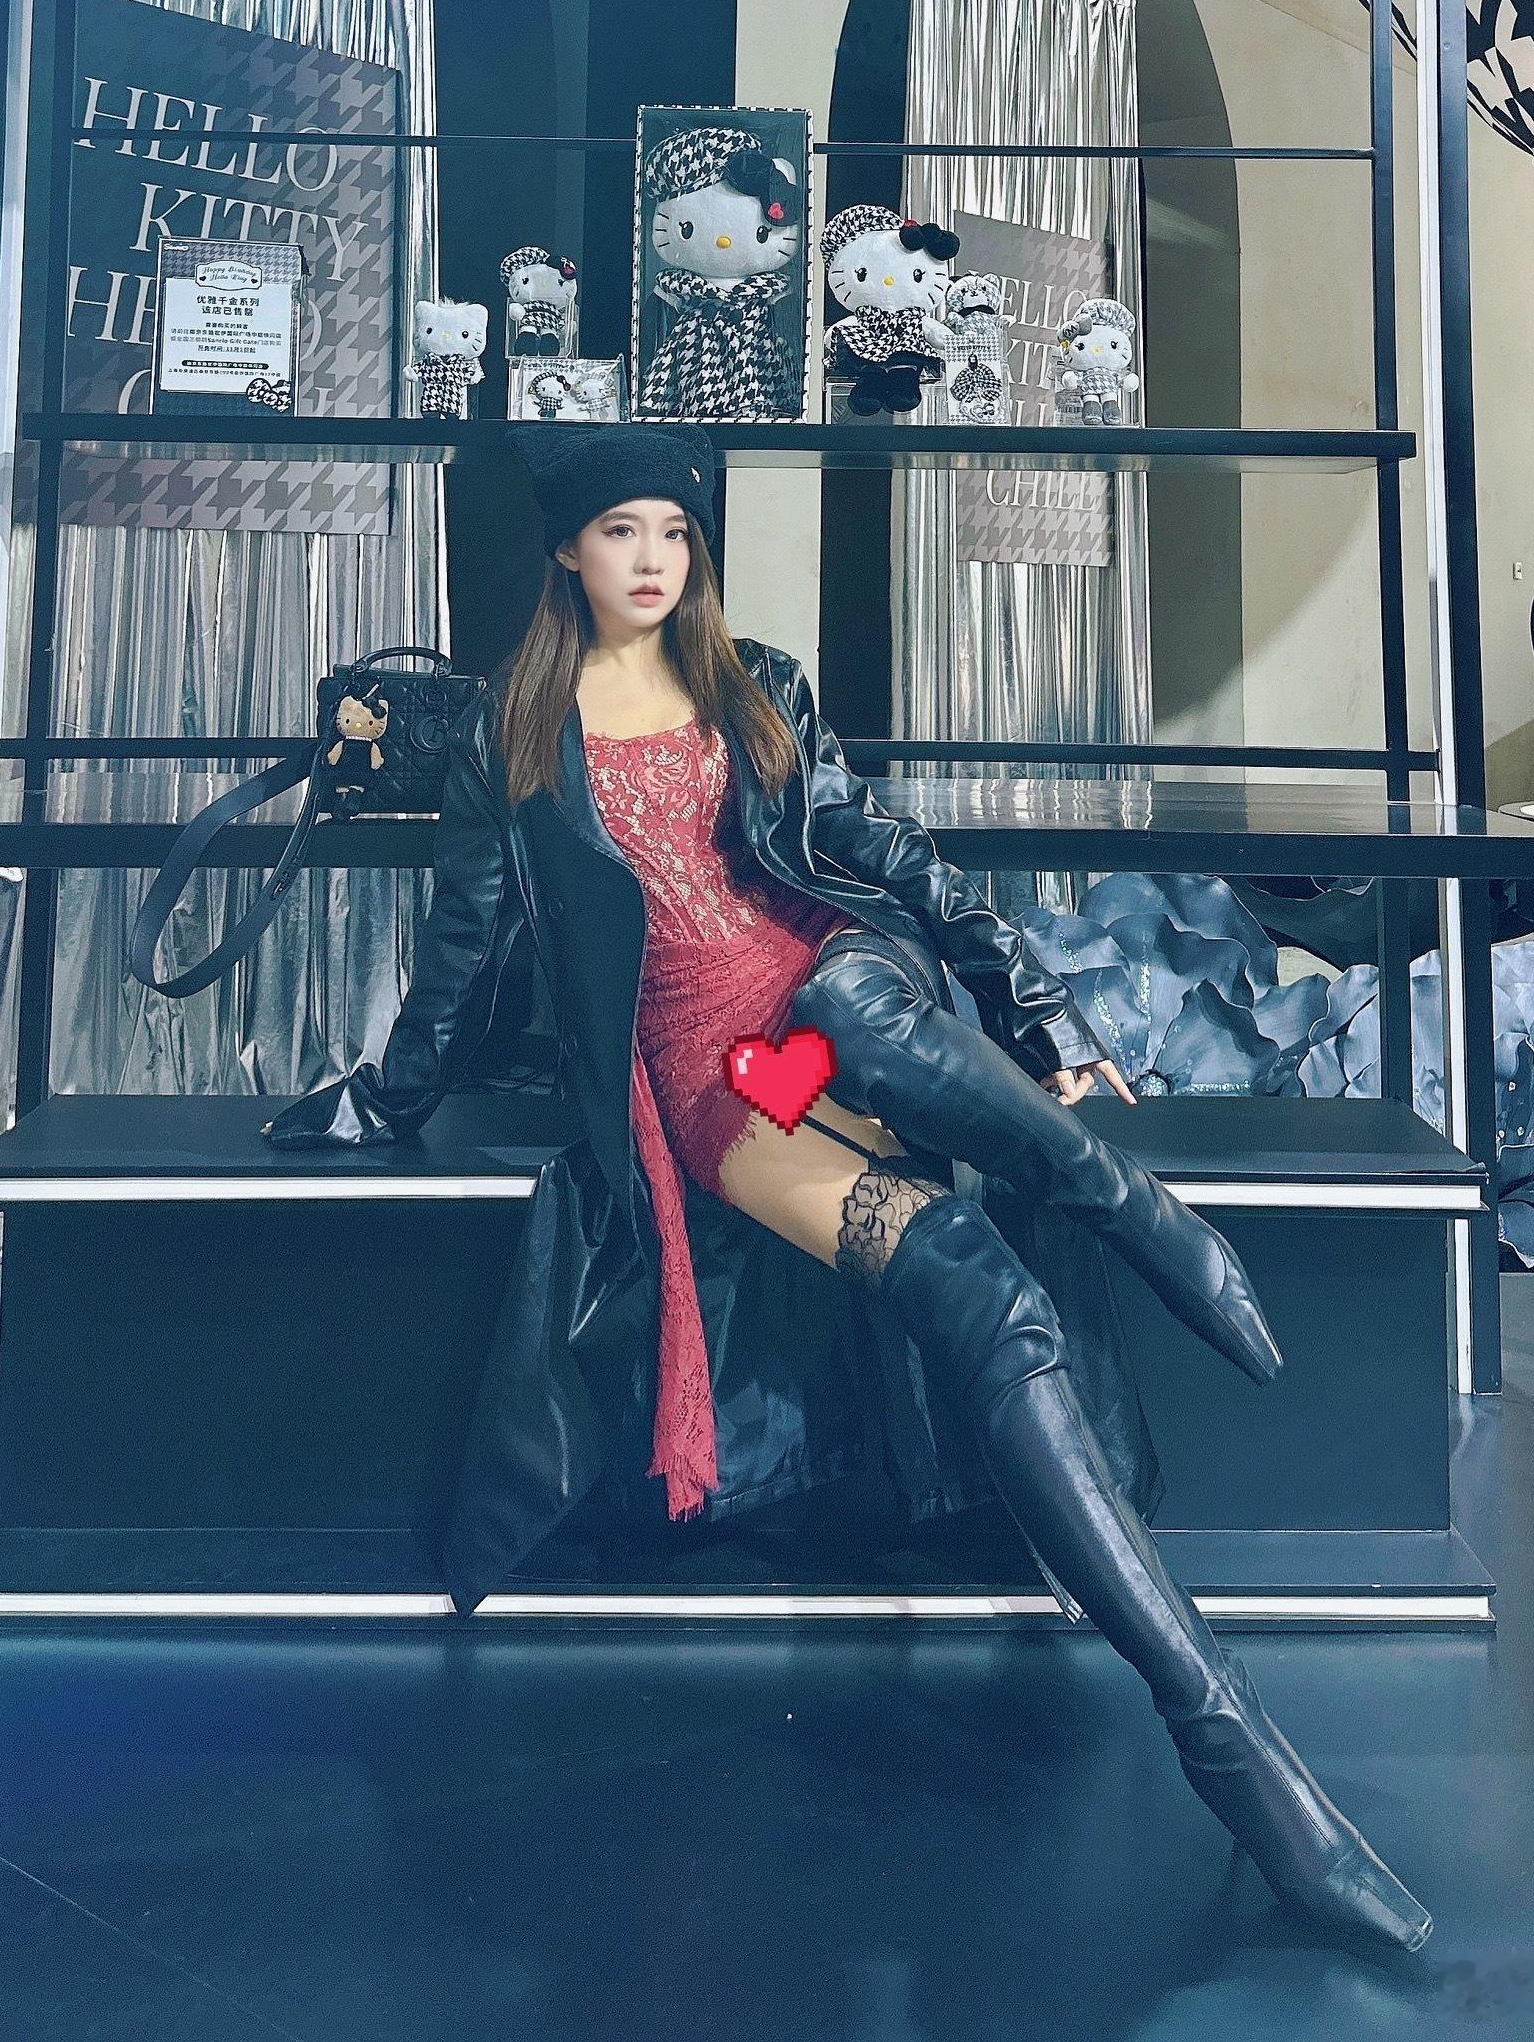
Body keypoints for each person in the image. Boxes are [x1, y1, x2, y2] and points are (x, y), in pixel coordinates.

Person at [266, 422, 1430, 1957]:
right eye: (620, 532)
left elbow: (891, 853)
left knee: (853, 997)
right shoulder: (513, 737)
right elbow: (462, 955)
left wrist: (1043, 1015)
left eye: (673, 532)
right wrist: (382, 1097)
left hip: (839, 1000)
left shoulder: (761, 685)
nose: (652, 559)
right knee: (992, 1307)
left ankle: (1129, 1203)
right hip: (724, 1087)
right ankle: (1242, 1756)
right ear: (566, 549)